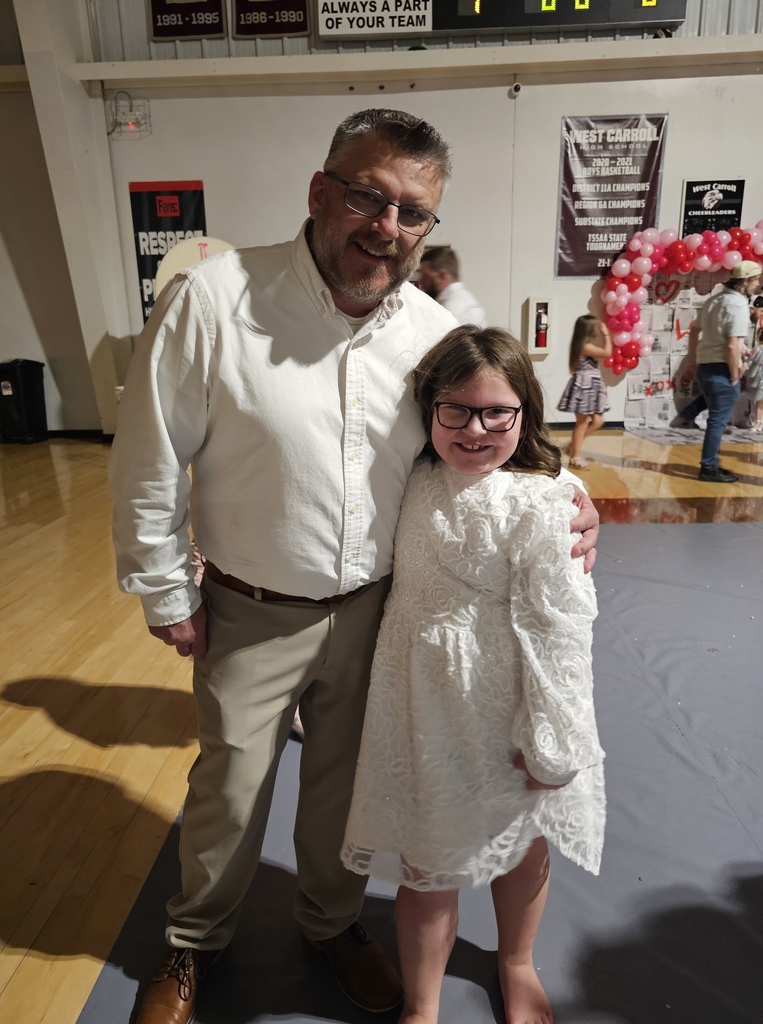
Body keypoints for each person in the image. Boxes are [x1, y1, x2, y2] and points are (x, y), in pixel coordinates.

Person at [109, 107, 600, 1024]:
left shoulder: (427, 328)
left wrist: (574, 496)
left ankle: (331, 924)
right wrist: (164, 586)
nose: (388, 226)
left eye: (414, 212)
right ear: (320, 193)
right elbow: (148, 457)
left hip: (381, 608)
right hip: (250, 602)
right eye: (369, 197)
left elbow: (494, 421)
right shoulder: (216, 300)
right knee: (230, 787)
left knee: (349, 787)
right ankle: (191, 944)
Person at [342, 325, 605, 1024]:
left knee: (522, 841)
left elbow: (560, 629)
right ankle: (421, 1005)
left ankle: (515, 961)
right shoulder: (411, 478)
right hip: (422, 698)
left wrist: (549, 736)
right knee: (430, 857)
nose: (477, 428)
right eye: (456, 409)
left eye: (498, 412)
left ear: (526, 412)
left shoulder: (545, 498)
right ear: (429, 410)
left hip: (508, 701)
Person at [685, 259, 762, 482]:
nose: (757, 284)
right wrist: (736, 373)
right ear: (745, 281)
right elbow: (730, 344)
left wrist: (691, 364)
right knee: (718, 421)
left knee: (716, 419)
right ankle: (708, 467)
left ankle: (711, 464)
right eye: (756, 280)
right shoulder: (737, 305)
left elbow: (693, 332)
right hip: (723, 369)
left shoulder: (714, 300)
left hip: (705, 366)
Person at [556, 313, 613, 468]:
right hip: (584, 386)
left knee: (598, 421)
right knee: (582, 423)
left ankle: (573, 446)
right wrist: (606, 333)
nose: (598, 329)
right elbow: (607, 352)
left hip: (591, 385)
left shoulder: (585, 345)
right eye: (595, 327)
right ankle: (575, 456)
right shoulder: (585, 347)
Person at [417, 244, 488, 326]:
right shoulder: (469, 301)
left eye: (425, 275)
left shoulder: (449, 310)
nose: (421, 281)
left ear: (442, 276)